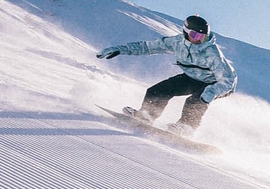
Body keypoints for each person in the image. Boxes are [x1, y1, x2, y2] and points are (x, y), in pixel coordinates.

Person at [96, 15, 237, 136]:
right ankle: (146, 115)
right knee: (159, 90)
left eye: (203, 37)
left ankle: (186, 127)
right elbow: (147, 47)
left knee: (196, 100)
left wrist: (212, 92)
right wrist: (119, 50)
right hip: (192, 78)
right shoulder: (177, 43)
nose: (199, 40)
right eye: (195, 36)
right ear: (186, 32)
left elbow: (228, 80)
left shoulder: (212, 53)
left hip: (217, 83)